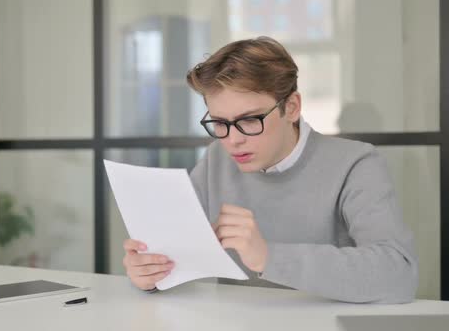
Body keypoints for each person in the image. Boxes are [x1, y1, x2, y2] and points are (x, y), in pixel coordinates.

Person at [122, 36, 418, 304]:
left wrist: (268, 256)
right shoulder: (217, 160)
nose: (233, 140)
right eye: (220, 123)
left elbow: (399, 277)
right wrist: (150, 273)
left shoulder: (356, 164)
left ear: (291, 107)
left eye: (249, 119)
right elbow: (178, 253)